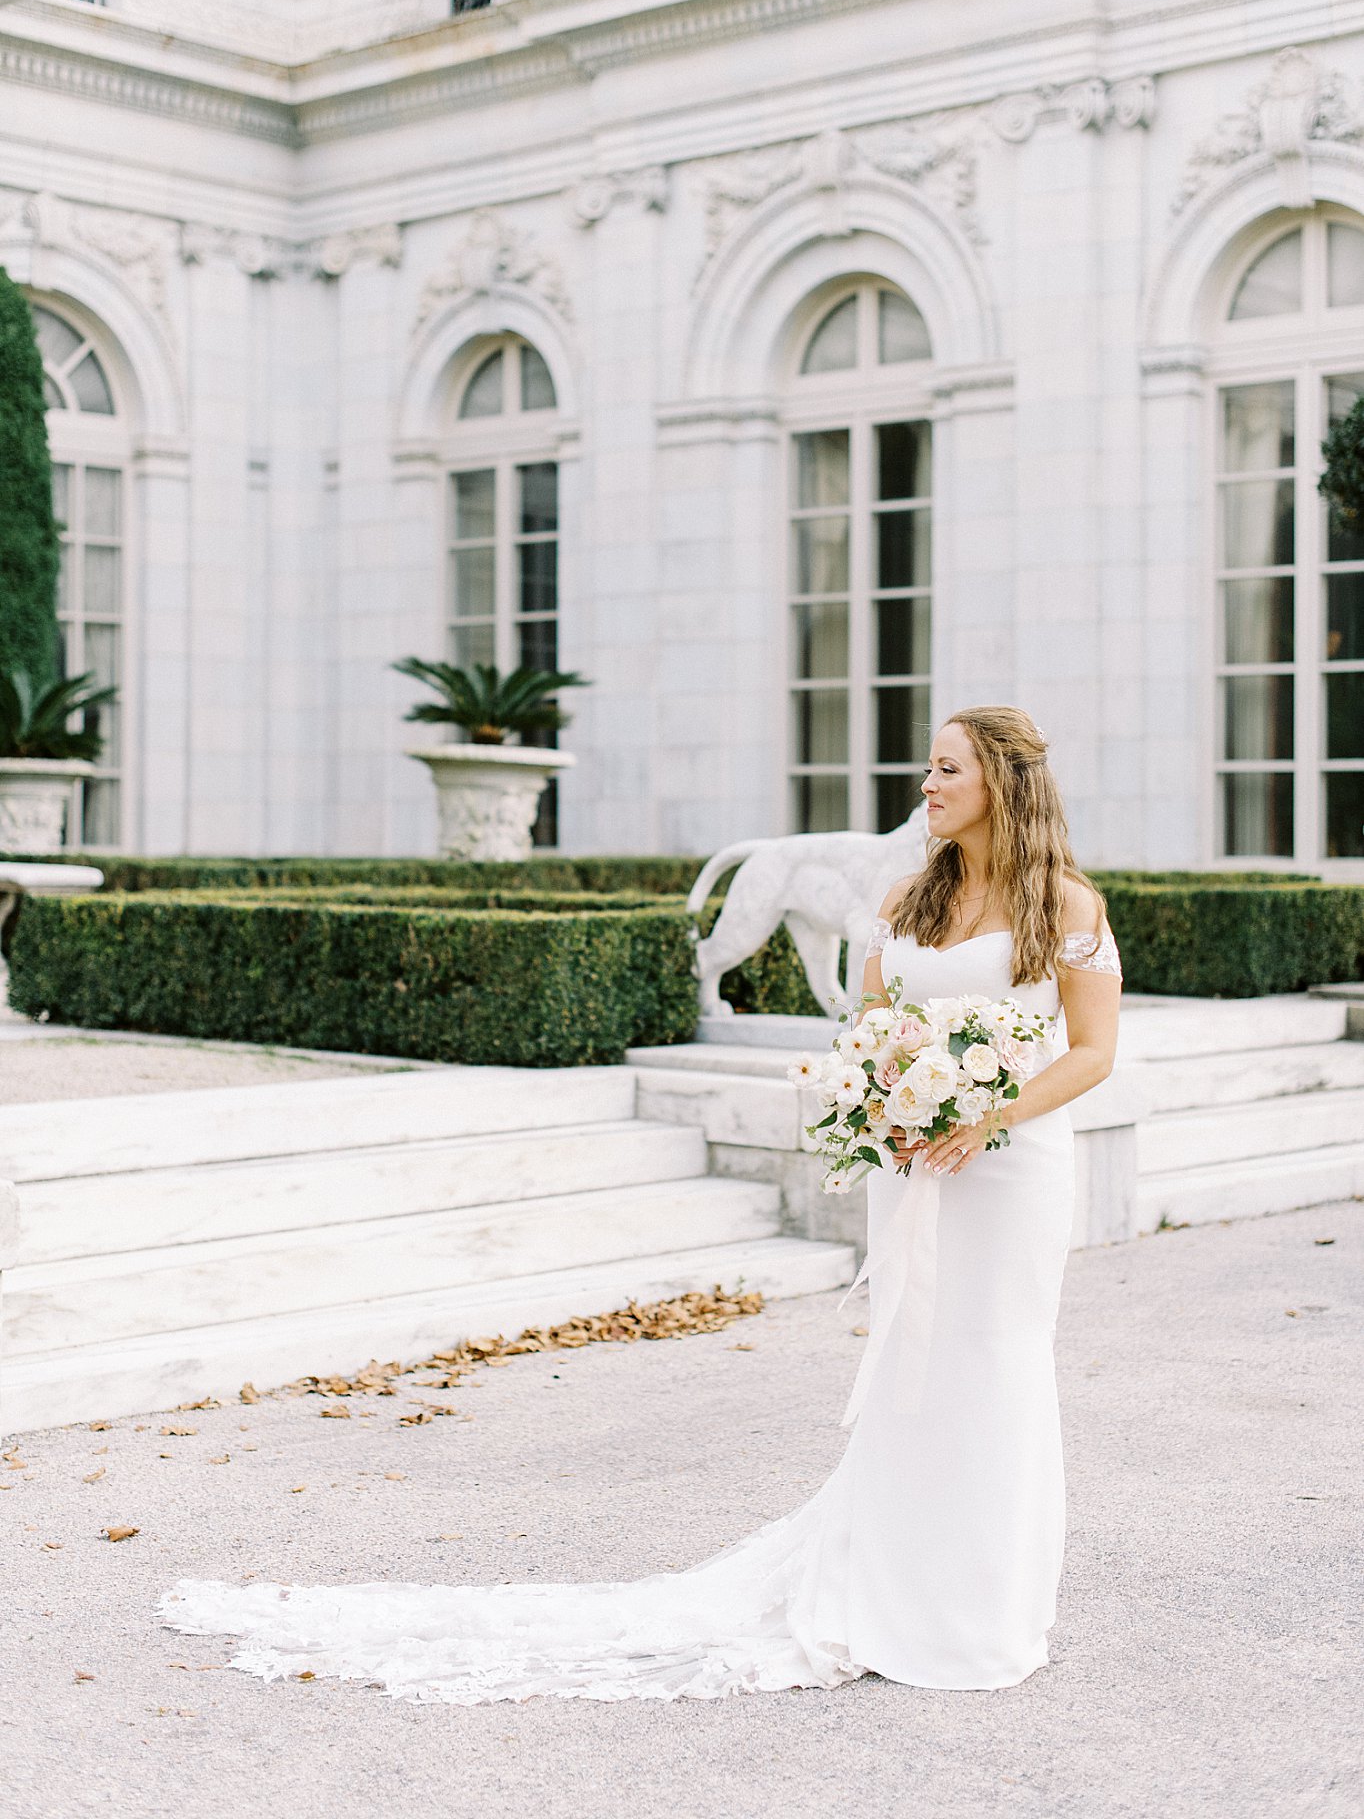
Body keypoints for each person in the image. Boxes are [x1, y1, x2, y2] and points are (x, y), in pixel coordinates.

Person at [161, 704, 1123, 1702]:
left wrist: (985, 1110)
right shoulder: (902, 897)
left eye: (944, 768)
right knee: (908, 1362)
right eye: (925, 767)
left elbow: (1092, 1052)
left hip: (1008, 1172)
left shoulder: (1068, 905)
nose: (924, 785)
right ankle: (892, 1588)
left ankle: (979, 1609)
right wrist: (882, 1093)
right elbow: (872, 1022)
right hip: (911, 1162)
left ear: (1001, 782)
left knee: (995, 1361)